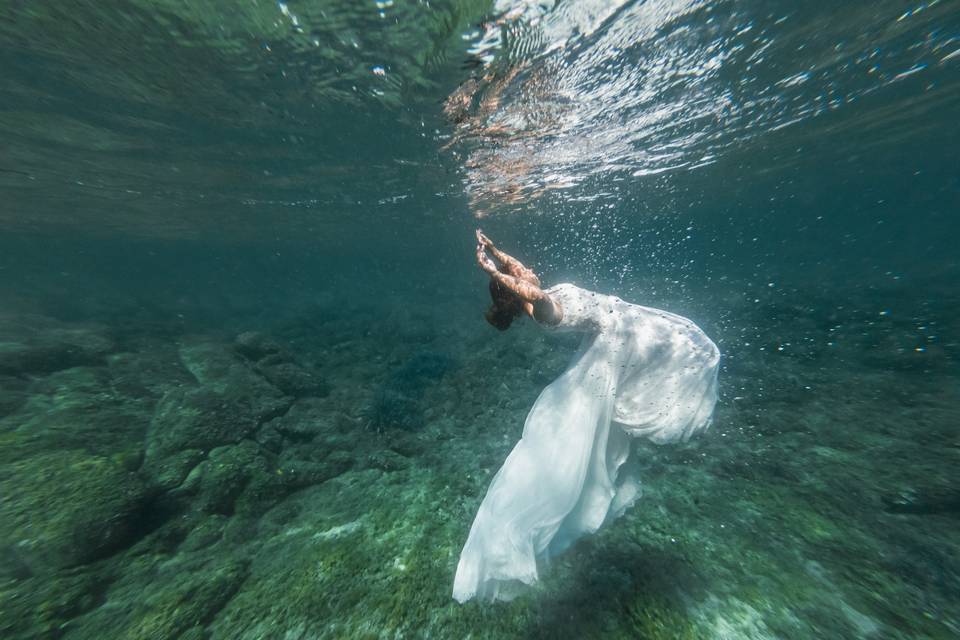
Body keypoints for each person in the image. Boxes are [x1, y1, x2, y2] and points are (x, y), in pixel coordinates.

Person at [453, 230, 721, 603]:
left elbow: (524, 280)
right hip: (619, 345)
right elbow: (532, 291)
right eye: (520, 274)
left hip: (627, 330)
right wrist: (492, 272)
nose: (528, 268)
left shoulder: (535, 295)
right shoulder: (547, 310)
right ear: (518, 292)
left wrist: (496, 253)